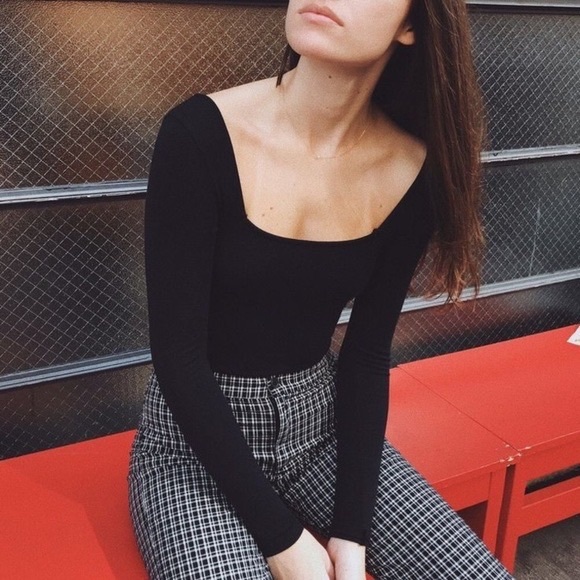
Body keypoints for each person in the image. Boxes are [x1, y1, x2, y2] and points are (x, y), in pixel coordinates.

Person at [128, 1, 514, 578]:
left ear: (412, 26)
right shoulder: (199, 134)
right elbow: (178, 357)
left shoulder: (413, 167)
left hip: (322, 434)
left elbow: (366, 355)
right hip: (191, 450)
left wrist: (351, 535)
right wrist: (285, 543)